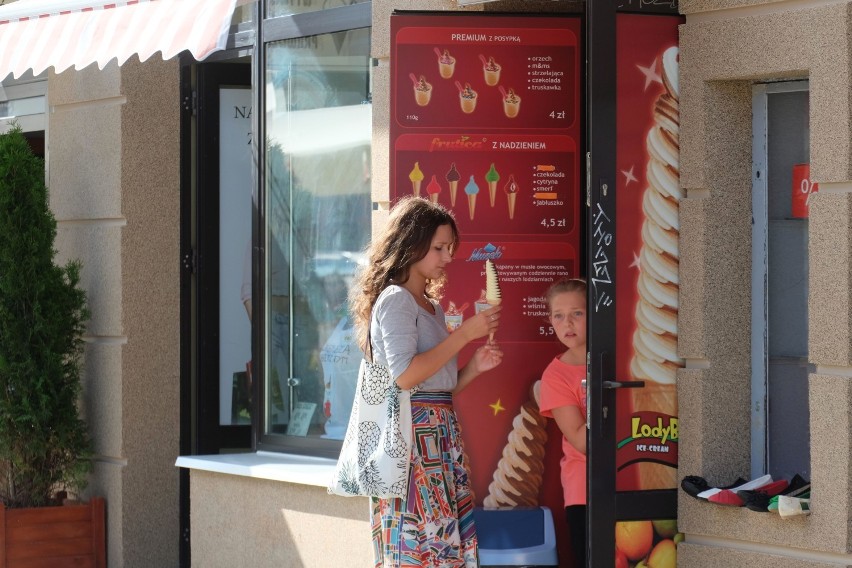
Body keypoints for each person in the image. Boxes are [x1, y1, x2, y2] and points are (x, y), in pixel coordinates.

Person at [349, 195, 504, 567]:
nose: (448, 257)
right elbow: (404, 376)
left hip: (438, 434)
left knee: (440, 543)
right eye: (438, 248)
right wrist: (464, 335)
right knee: (420, 544)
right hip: (413, 443)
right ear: (411, 244)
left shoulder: (429, 305)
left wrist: (472, 368)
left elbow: (436, 389)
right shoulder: (396, 300)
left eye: (449, 247)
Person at [538, 278, 588, 568]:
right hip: (585, 491)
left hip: (634, 479)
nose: (567, 322)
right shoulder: (555, 376)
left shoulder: (622, 360)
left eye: (577, 313)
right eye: (559, 315)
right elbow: (582, 440)